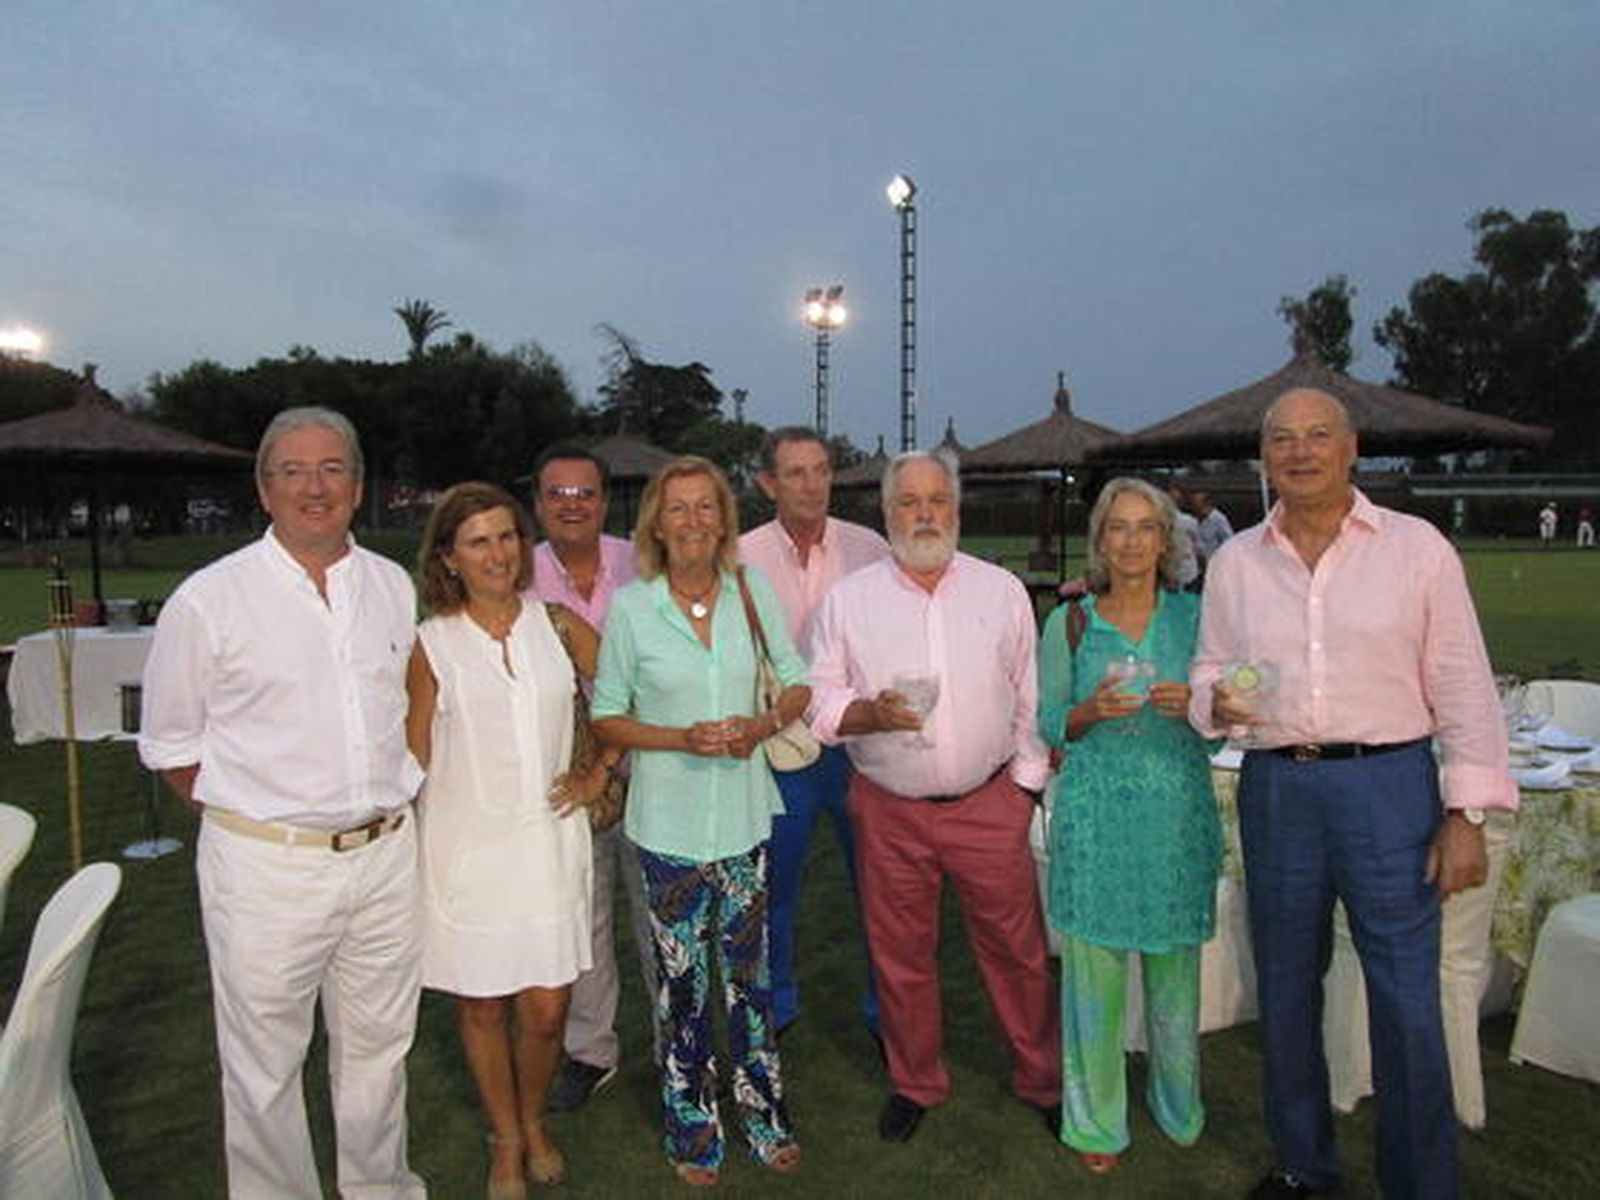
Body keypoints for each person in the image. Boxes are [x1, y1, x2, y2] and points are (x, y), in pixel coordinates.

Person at [1190, 388, 1517, 1200]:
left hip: (1390, 788)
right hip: (1278, 790)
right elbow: (1206, 674)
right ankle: (1304, 1164)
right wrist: (1214, 704)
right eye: (1282, 440)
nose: (1299, 452)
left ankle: (1423, 1180)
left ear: (1352, 448)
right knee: (1288, 988)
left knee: (1406, 998)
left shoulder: (1417, 549)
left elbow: (1464, 687)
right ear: (1263, 457)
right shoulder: (1236, 563)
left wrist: (1465, 814)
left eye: (1317, 436)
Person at [139, 407, 427, 1199]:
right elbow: (171, 747)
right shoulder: (209, 600)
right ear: (263, 490)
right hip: (266, 870)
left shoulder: (391, 587)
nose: (314, 487)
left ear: (359, 486)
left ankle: (380, 1188)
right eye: (293, 471)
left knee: (378, 1052)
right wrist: (262, 826)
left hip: (386, 859)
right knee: (263, 1068)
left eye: (332, 468)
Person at [808, 449, 1060, 1145]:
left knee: (1017, 951)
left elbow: (1032, 696)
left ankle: (1041, 1077)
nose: (924, 514)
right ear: (887, 514)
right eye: (909, 502)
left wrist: (1023, 791)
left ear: (957, 507)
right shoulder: (849, 602)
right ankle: (915, 1081)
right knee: (900, 955)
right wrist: (867, 714)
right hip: (889, 808)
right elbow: (820, 702)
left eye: (937, 500)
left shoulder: (1000, 590)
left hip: (988, 804)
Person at [592, 456, 808, 1187]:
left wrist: (764, 721)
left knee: (749, 984)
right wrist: (679, 737)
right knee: (680, 991)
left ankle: (763, 1114)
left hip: (743, 819)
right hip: (667, 831)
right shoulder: (632, 608)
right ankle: (693, 1127)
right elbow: (608, 717)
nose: (691, 522)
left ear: (724, 518)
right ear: (656, 522)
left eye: (705, 507)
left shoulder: (752, 592)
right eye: (676, 508)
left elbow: (798, 679)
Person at [407, 482, 613, 1197]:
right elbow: (411, 760)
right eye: (478, 541)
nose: (497, 553)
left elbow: (628, 699)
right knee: (483, 1005)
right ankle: (507, 1137)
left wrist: (598, 771)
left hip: (550, 842)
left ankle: (532, 1118)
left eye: (506, 537)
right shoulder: (432, 645)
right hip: (466, 848)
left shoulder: (556, 626)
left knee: (548, 1007)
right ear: (449, 559)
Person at [1038, 478, 1221, 1175]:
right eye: (1119, 527)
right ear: (1101, 540)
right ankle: (1095, 1122)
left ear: (1167, 540)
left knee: (1176, 980)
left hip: (1175, 819)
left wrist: (1199, 711)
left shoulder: (1197, 619)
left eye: (1148, 527)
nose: (1134, 541)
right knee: (1094, 979)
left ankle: (1179, 1105)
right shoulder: (1072, 623)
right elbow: (1048, 721)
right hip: (1096, 820)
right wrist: (1088, 713)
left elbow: (1216, 731)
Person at [738, 426, 890, 1038]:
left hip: (859, 747)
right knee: (775, 885)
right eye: (796, 473)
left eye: (821, 470)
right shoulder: (741, 555)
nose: (811, 484)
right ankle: (776, 1006)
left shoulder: (869, 547)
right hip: (781, 748)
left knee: (878, 889)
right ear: (768, 483)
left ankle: (887, 1010)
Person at [525, 444, 658, 1114]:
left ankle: (676, 1047)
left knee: (659, 914)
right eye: (557, 494)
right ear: (538, 503)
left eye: (584, 494)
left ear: (604, 501)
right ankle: (591, 1048)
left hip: (655, 766)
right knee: (585, 914)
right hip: (567, 772)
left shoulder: (643, 563)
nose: (571, 505)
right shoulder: (516, 574)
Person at [1165, 481, 1203, 590]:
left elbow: (1198, 548)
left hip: (1178, 571)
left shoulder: (1160, 521)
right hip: (1185, 571)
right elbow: (1198, 548)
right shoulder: (1189, 521)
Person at [1191, 489, 1234, 564]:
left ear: (1206, 504)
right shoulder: (1194, 520)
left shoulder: (1219, 519)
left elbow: (1229, 541)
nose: (1195, 509)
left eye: (1197, 505)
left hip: (1215, 563)